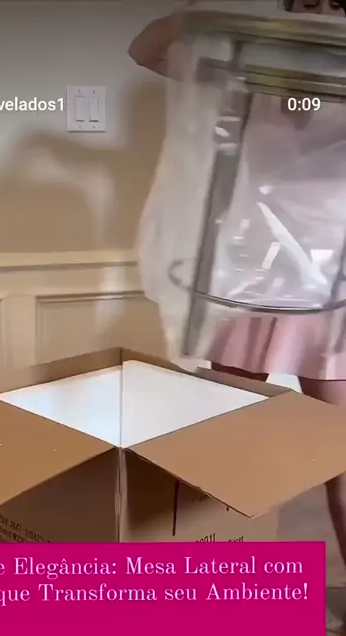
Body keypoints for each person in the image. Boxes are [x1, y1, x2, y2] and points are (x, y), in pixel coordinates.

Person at [129, 0, 346, 568]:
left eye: (335, 4)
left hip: (334, 286)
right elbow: (144, 48)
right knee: (224, 438)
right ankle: (217, 585)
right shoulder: (243, 70)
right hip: (251, 278)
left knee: (343, 456)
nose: (321, 15)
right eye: (309, 3)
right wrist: (198, 19)